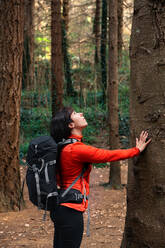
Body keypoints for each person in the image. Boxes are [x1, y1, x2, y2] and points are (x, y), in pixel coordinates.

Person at [50, 107, 151, 248]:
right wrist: (136, 150)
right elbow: (107, 155)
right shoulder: (75, 149)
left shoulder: (63, 147)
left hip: (60, 206)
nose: (81, 113)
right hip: (70, 210)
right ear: (71, 125)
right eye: (75, 113)